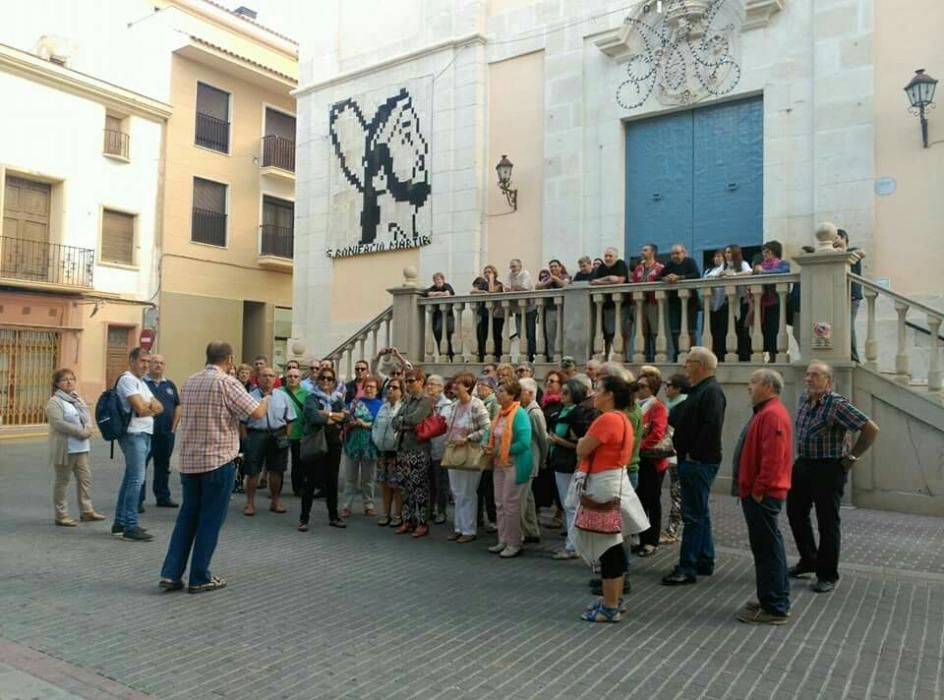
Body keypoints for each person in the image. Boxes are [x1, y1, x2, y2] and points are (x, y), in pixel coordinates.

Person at [158, 341, 267, 594]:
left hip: (190, 460)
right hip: (218, 460)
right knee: (210, 519)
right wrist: (267, 401)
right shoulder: (228, 383)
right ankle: (199, 576)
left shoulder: (191, 380)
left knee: (187, 516)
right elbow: (256, 412)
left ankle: (171, 573)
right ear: (229, 359)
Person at [788, 360, 879, 593]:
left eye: (815, 375)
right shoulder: (804, 399)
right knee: (795, 513)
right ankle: (809, 559)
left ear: (828, 380)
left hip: (828, 469)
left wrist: (852, 458)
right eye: (808, 374)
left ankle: (827, 573)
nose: (809, 379)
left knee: (827, 522)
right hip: (804, 465)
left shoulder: (837, 404)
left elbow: (870, 428)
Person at [573, 374, 639, 623]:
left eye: (598, 390)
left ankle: (610, 606)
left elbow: (582, 448)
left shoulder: (607, 419)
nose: (594, 394)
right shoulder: (623, 418)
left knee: (607, 548)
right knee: (614, 546)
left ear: (610, 394)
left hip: (603, 484)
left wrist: (581, 441)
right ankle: (614, 600)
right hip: (615, 481)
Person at [734, 369, 794, 625]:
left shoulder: (772, 415)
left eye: (754, 382)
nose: (749, 387)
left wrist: (759, 489)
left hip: (763, 494)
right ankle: (772, 598)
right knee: (768, 547)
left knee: (767, 548)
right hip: (760, 492)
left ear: (768, 387)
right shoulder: (767, 412)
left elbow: (773, 457)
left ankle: (775, 606)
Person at [663, 347, 726, 586]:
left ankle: (687, 566)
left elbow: (711, 427)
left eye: (688, 362)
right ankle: (704, 559)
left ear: (701, 365)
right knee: (700, 513)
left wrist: (693, 455)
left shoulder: (711, 391)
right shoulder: (700, 390)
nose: (685, 366)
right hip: (694, 459)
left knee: (693, 516)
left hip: (698, 462)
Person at [113, 347, 163, 542]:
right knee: (136, 480)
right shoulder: (127, 380)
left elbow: (160, 406)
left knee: (130, 480)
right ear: (132, 361)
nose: (146, 365)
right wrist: (147, 406)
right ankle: (130, 526)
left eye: (148, 361)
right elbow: (141, 409)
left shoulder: (141, 383)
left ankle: (119, 523)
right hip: (134, 435)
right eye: (143, 361)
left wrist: (148, 406)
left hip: (145, 434)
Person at [46, 368, 104, 526]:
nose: (69, 382)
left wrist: (89, 428)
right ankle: (61, 515)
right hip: (66, 448)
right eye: (65, 379)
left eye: (72, 379)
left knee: (85, 479)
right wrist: (80, 432)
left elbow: (86, 415)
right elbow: (58, 423)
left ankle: (87, 511)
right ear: (57, 384)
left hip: (81, 447)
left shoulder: (76, 398)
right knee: (62, 482)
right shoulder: (55, 402)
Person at [484, 379, 533, 558]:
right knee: (499, 503)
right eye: (498, 390)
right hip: (499, 463)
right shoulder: (500, 413)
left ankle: (514, 543)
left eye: (502, 391)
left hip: (515, 464)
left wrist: (503, 450)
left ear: (512, 395)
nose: (498, 393)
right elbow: (490, 432)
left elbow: (524, 442)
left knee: (510, 504)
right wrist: (486, 445)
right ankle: (503, 539)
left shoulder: (519, 413)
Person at [443, 372, 492, 543]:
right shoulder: (454, 406)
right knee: (456, 492)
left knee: (468, 492)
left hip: (470, 451)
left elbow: (487, 428)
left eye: (459, 384)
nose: (455, 386)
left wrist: (469, 437)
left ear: (468, 387)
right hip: (454, 451)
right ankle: (458, 527)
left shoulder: (477, 405)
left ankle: (469, 530)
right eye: (455, 383)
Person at [241, 367, 295, 516]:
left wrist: (287, 437)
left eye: (271, 376)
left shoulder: (283, 396)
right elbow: (242, 421)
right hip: (256, 435)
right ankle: (250, 503)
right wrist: (245, 439)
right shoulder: (249, 397)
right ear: (258, 379)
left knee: (277, 471)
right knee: (253, 472)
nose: (268, 379)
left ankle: (275, 501)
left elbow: (290, 419)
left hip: (278, 435)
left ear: (276, 378)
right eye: (264, 376)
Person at [547, 378, 591, 560]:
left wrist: (558, 440)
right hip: (559, 460)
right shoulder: (562, 410)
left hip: (570, 462)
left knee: (572, 504)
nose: (561, 395)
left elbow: (581, 443)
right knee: (568, 503)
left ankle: (573, 546)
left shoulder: (578, 414)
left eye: (565, 393)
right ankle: (573, 542)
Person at [300, 367, 348, 530]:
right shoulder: (311, 398)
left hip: (333, 443)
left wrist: (326, 414)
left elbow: (347, 416)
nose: (326, 381)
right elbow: (313, 417)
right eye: (323, 378)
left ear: (334, 382)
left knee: (332, 481)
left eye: (329, 379)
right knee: (311, 481)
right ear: (318, 380)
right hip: (316, 442)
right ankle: (304, 519)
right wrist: (333, 416)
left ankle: (333, 516)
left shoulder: (337, 398)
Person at [392, 368, 434, 537]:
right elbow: (394, 422)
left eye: (411, 381)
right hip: (403, 448)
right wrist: (404, 422)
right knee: (405, 487)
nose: (408, 384)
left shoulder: (425, 400)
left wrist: (403, 421)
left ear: (421, 381)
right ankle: (407, 520)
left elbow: (416, 419)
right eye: (406, 381)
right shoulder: (407, 400)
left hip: (418, 449)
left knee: (419, 487)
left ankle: (422, 522)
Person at [634, 374, 669, 557]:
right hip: (639, 459)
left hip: (652, 460)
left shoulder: (657, 406)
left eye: (642, 386)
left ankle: (651, 541)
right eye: (637, 386)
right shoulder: (637, 406)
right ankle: (641, 537)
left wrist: (637, 446)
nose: (638, 389)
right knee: (640, 500)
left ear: (652, 388)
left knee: (652, 500)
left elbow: (657, 433)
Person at [141, 354, 181, 509]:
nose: (158, 365)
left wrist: (174, 427)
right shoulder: (142, 383)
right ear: (149, 365)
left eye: (161, 363)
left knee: (163, 466)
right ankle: (138, 500)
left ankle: (163, 496)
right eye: (155, 362)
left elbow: (178, 405)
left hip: (166, 432)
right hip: (147, 433)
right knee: (141, 466)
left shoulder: (170, 385)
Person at [340, 374, 382, 517]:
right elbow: (344, 418)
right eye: (367, 386)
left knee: (368, 479)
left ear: (377, 390)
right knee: (350, 478)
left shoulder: (381, 405)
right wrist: (349, 423)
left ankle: (369, 504)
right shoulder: (355, 403)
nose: (369, 389)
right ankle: (346, 506)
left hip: (370, 446)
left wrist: (365, 424)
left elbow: (381, 425)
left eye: (372, 387)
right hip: (352, 444)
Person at [660, 373, 690, 544]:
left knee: (677, 494)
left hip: (677, 456)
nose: (666, 389)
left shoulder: (683, 406)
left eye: (669, 385)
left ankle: (672, 530)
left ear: (678, 388)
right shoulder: (670, 405)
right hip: (671, 455)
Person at [658, 243, 701, 362]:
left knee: (690, 329)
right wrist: (665, 278)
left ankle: (692, 354)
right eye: (672, 254)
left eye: (677, 253)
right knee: (675, 329)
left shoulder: (690, 261)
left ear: (684, 253)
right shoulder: (670, 264)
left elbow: (696, 275)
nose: (674, 256)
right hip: (674, 302)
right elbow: (658, 277)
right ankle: (678, 354)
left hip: (690, 302)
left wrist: (680, 278)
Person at [750, 240, 791, 362]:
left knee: (775, 329)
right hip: (762, 303)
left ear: (775, 252)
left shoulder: (782, 263)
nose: (765, 254)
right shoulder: (761, 265)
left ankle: (775, 355)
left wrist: (764, 271)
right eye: (763, 251)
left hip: (776, 302)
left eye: (767, 252)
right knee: (764, 330)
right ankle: (767, 354)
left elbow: (783, 272)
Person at [519, 377, 548, 545]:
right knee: (528, 497)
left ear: (530, 393)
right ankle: (531, 530)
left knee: (521, 499)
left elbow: (543, 439)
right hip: (526, 458)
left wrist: (542, 459)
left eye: (521, 391)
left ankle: (520, 533)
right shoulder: (525, 409)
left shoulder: (535, 412)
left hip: (530, 459)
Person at [372, 378, 404, 526]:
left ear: (401, 392)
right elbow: (376, 426)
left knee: (396, 485)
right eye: (389, 387)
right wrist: (376, 440)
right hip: (382, 452)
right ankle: (386, 513)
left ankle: (398, 514)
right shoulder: (383, 407)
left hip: (396, 453)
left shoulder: (402, 408)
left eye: (395, 387)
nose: (390, 389)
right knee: (384, 484)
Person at [589, 247, 630, 356]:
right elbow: (594, 282)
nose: (607, 258)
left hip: (621, 305)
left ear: (616, 257)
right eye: (606, 256)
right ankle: (608, 356)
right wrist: (609, 279)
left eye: (610, 256)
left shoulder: (620, 264)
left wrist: (602, 280)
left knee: (622, 332)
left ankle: (623, 356)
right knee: (608, 333)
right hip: (606, 306)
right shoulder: (602, 267)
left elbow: (620, 281)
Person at [425, 374, 454, 525]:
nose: (429, 387)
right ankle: (429, 510)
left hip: (440, 447)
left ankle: (441, 511)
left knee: (441, 482)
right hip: (425, 447)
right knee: (428, 481)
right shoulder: (424, 402)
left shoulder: (447, 405)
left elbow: (440, 425)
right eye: (428, 384)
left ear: (441, 387)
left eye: (434, 384)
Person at [835, 229, 865, 362]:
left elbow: (862, 252)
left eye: (835, 238)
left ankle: (854, 358)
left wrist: (844, 254)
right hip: (837, 295)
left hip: (852, 295)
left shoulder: (853, 251)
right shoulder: (833, 254)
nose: (833, 242)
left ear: (843, 238)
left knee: (848, 326)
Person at [632, 243, 665, 362]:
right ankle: (645, 356)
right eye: (642, 250)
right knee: (642, 331)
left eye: (645, 250)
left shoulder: (660, 268)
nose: (642, 252)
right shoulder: (638, 268)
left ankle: (656, 356)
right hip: (640, 303)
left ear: (653, 252)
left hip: (653, 302)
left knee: (655, 330)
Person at [721, 245, 753, 361]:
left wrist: (734, 275)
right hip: (730, 301)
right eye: (726, 252)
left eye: (729, 252)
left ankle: (745, 355)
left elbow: (750, 272)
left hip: (743, 300)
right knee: (732, 328)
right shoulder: (724, 266)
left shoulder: (743, 264)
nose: (727, 255)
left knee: (743, 329)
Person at [475, 374, 499, 532]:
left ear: (490, 388)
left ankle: (493, 519)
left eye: (482, 385)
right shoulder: (480, 402)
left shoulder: (494, 403)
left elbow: (493, 426)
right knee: (479, 487)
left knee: (488, 487)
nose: (478, 388)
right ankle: (478, 518)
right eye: (478, 385)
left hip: (488, 450)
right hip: (478, 448)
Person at [281, 367, 309, 496]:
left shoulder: (306, 393)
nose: (292, 379)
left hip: (299, 432)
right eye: (290, 376)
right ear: (286, 378)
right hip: (281, 433)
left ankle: (298, 488)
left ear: (300, 379)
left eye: (295, 376)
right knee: (279, 463)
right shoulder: (278, 392)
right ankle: (277, 488)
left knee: (298, 463)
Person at [537, 258, 571, 356]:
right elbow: (537, 286)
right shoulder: (547, 278)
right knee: (550, 334)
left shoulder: (565, 276)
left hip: (563, 310)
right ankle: (552, 355)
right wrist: (548, 282)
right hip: (550, 309)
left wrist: (555, 279)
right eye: (551, 267)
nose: (553, 268)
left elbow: (565, 285)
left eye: (555, 266)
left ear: (560, 267)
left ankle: (564, 354)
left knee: (562, 333)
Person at [471, 265, 505, 360]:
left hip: (497, 314)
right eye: (485, 272)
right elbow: (473, 291)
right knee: (483, 333)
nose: (487, 274)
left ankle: (498, 355)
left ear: (494, 273)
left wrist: (491, 279)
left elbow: (492, 291)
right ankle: (483, 355)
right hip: (485, 313)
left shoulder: (499, 284)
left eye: (489, 272)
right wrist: (483, 292)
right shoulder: (483, 284)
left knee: (496, 334)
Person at [507, 258, 537, 359]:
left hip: (529, 308)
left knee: (530, 333)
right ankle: (526, 352)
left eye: (514, 266)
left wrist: (514, 288)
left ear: (520, 266)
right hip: (518, 309)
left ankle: (531, 354)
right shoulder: (510, 275)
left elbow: (524, 287)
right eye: (511, 266)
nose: (512, 268)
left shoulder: (525, 274)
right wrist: (515, 288)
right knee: (520, 333)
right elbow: (506, 288)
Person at [704, 250, 728, 361]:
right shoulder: (709, 270)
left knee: (721, 332)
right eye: (715, 256)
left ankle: (721, 356)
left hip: (723, 304)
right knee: (710, 332)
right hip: (710, 305)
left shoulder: (726, 269)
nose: (717, 258)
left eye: (719, 256)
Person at [425, 272, 456, 358]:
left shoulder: (447, 285)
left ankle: (450, 356)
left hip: (447, 316)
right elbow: (427, 293)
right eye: (435, 280)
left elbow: (448, 293)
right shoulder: (433, 288)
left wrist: (435, 294)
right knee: (437, 335)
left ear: (443, 279)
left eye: (438, 279)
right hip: (436, 316)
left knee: (446, 337)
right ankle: (442, 355)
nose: (437, 281)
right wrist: (439, 293)